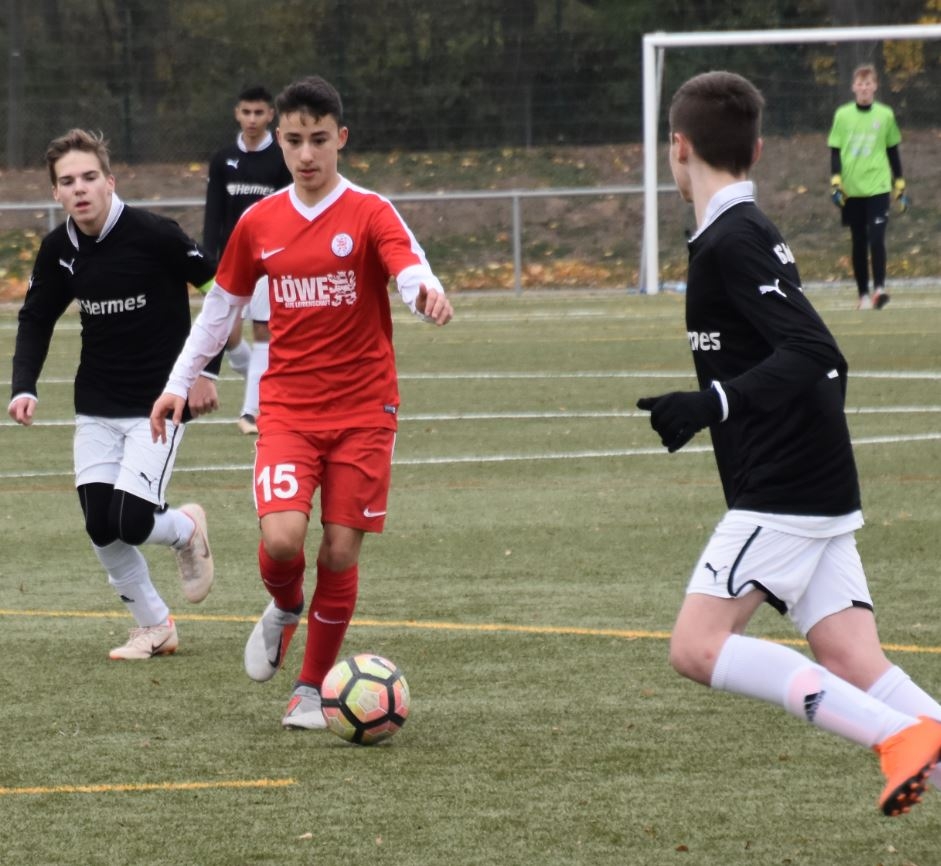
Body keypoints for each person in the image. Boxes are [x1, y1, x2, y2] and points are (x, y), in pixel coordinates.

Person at [636, 71, 941, 818]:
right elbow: (820, 364)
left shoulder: (735, 238)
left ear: (677, 146)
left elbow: (815, 348)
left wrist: (712, 404)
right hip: (811, 479)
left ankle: (895, 738)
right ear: (759, 149)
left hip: (785, 487)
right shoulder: (741, 231)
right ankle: (915, 736)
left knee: (696, 647)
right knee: (851, 658)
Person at [151, 75, 453, 729]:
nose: (306, 154)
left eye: (318, 139)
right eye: (293, 141)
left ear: (341, 138)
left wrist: (422, 292)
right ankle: (286, 606)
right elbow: (220, 311)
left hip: (365, 410)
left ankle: (311, 689)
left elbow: (407, 263)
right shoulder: (259, 222)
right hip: (289, 409)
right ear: (279, 142)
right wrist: (178, 382)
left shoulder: (370, 210)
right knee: (284, 541)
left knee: (339, 552)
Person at [9, 128, 217, 660]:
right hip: (96, 405)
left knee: (131, 520)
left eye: (88, 177)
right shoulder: (59, 250)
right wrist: (24, 386)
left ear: (110, 181)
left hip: (159, 402)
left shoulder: (155, 234)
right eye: (67, 182)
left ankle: (185, 529)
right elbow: (36, 318)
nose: (79, 189)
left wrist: (205, 372)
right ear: (55, 193)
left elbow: (220, 291)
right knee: (101, 526)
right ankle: (155, 627)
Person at [203, 84, 293, 434]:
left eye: (259, 112)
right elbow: (214, 213)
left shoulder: (281, 158)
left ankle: (250, 412)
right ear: (237, 114)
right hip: (232, 259)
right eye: (246, 112)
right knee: (227, 336)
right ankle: (261, 381)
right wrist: (208, 258)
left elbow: (288, 209)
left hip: (269, 260)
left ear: (271, 115)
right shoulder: (223, 159)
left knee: (262, 331)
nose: (252, 119)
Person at [827, 64, 908, 311]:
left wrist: (899, 183)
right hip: (852, 188)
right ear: (853, 87)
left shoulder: (885, 115)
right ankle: (863, 295)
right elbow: (835, 150)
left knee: (877, 236)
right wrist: (836, 181)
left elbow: (892, 150)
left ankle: (879, 289)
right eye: (860, 84)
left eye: (868, 84)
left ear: (875, 86)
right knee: (859, 241)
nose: (864, 88)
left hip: (878, 186)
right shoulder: (842, 115)